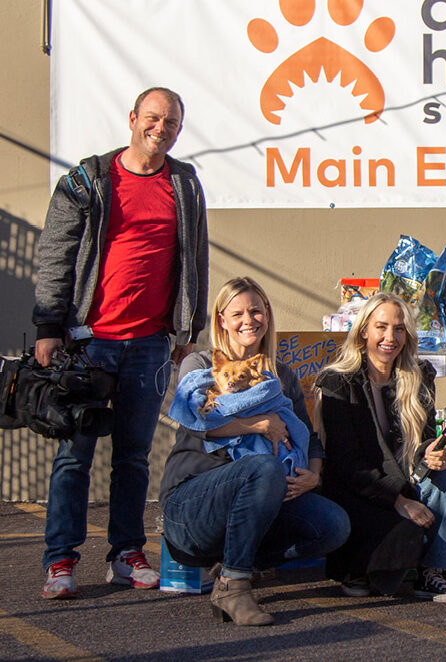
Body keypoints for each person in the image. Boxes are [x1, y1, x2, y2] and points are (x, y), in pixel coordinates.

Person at [33, 87, 209, 599]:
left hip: (150, 343)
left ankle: (126, 555)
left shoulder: (184, 182)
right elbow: (55, 254)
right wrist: (48, 328)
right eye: (152, 117)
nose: (160, 128)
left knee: (133, 457)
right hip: (88, 343)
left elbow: (194, 257)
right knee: (74, 456)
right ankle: (60, 560)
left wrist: (187, 328)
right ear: (133, 118)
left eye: (171, 122)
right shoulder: (88, 180)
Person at [160, 277, 350, 625]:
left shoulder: (282, 376)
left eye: (256, 311)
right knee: (264, 467)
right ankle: (233, 586)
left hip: (259, 497)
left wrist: (313, 475)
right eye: (238, 314)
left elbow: (309, 437)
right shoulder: (200, 366)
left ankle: (235, 562)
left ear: (267, 315)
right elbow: (195, 423)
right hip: (191, 506)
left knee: (333, 525)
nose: (248, 320)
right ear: (221, 320)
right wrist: (259, 425)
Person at [316, 293, 446, 602]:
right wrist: (397, 501)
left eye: (399, 329)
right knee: (382, 563)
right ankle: (362, 567)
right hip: (359, 488)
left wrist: (431, 453)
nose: (390, 337)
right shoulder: (338, 382)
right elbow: (345, 461)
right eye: (381, 327)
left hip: (406, 480)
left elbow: (424, 440)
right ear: (363, 331)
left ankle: (431, 573)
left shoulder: (418, 376)